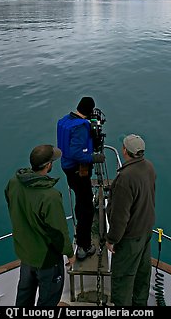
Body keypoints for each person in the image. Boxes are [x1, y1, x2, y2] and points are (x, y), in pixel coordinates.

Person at [4, 144, 76, 307]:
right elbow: (58, 232)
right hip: (47, 259)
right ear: (48, 165)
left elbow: (10, 202)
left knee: (24, 295)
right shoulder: (50, 196)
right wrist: (70, 254)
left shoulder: (14, 182)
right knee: (49, 299)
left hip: (25, 252)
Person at [105, 134, 156, 306]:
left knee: (123, 279)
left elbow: (120, 217)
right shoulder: (149, 167)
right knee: (142, 274)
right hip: (146, 231)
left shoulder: (125, 178)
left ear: (125, 151)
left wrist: (112, 240)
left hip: (130, 238)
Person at [57, 96, 105, 260]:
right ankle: (84, 246)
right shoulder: (80, 127)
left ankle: (80, 234)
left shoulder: (65, 121)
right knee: (87, 209)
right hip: (78, 171)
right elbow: (77, 153)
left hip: (67, 168)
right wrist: (94, 158)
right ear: (90, 111)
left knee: (80, 200)